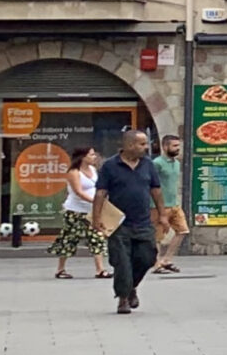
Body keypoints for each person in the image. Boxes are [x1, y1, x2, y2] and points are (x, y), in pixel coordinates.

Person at [96, 129, 164, 316]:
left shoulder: (148, 165)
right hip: (119, 224)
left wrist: (162, 214)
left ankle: (131, 286)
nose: (146, 147)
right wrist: (96, 219)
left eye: (146, 143)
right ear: (129, 145)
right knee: (122, 263)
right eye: (142, 144)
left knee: (147, 257)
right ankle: (123, 299)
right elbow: (101, 193)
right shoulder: (110, 166)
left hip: (143, 222)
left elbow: (156, 190)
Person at [52, 145, 110, 280]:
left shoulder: (93, 170)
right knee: (70, 239)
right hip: (75, 211)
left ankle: (100, 269)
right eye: (91, 155)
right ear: (83, 157)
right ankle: (60, 269)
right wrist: (95, 201)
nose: (94, 157)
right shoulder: (74, 172)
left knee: (97, 237)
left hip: (91, 211)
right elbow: (78, 192)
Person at [151, 133, 188, 274]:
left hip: (174, 204)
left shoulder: (177, 163)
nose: (178, 148)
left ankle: (167, 260)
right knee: (158, 236)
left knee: (183, 230)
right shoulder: (157, 163)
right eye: (174, 146)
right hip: (159, 205)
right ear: (165, 146)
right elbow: (152, 185)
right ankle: (156, 263)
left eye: (178, 146)